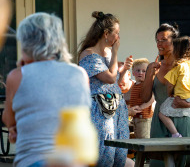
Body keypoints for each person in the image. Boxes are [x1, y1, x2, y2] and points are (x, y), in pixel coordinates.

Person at [2, 12, 92, 167]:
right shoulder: (80, 74)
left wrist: (14, 128)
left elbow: (9, 119)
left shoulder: (17, 76)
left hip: (34, 160)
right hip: (75, 160)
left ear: (26, 44)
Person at [142, 23, 190, 166]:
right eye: (157, 40)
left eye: (164, 40)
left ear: (175, 41)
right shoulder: (153, 67)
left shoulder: (189, 65)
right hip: (160, 123)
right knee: (159, 163)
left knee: (187, 163)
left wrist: (188, 104)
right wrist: (149, 75)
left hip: (186, 120)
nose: (159, 44)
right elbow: (145, 98)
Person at [78, 11, 133, 167]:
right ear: (106, 34)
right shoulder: (88, 54)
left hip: (117, 107)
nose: (118, 37)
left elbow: (113, 79)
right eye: (117, 33)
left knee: (120, 149)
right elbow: (109, 77)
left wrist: (122, 70)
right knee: (105, 150)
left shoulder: (108, 53)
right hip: (101, 110)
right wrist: (115, 53)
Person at [159, 36, 190, 138]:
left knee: (162, 113)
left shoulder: (177, 67)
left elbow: (170, 85)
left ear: (177, 51)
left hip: (180, 97)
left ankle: (175, 133)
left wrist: (170, 93)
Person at [129, 58, 155, 139]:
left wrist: (141, 107)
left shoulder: (146, 84)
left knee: (144, 138)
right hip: (135, 117)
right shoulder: (134, 84)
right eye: (138, 70)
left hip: (144, 118)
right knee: (137, 136)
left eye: (144, 71)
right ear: (133, 72)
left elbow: (151, 99)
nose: (140, 72)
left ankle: (145, 152)